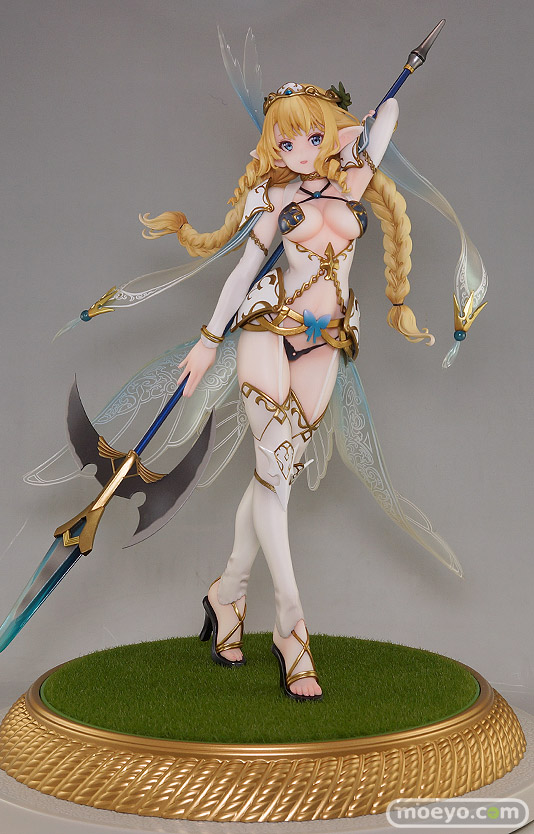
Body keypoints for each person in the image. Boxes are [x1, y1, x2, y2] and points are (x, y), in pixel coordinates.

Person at [140, 82, 432, 701]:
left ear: (331, 133)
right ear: (271, 146)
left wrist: (355, 128)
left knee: (274, 477)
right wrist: (207, 341)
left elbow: (390, 114)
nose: (300, 151)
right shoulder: (273, 197)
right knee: (275, 478)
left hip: (326, 340)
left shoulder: (352, 181)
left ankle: (227, 593)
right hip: (268, 331)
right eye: (286, 140)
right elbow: (243, 272)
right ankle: (291, 627)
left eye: (313, 136)